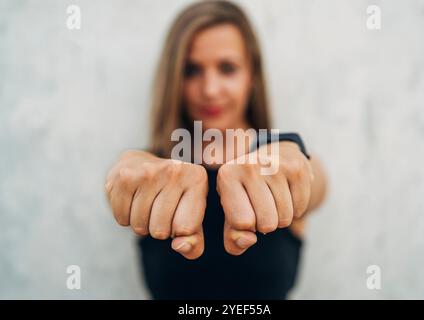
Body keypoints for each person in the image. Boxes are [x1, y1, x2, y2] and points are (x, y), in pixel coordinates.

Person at [104, 0, 327, 299]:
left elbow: (312, 181)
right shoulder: (149, 178)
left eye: (227, 68)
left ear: (252, 76)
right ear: (175, 79)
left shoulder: (287, 166)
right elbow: (125, 181)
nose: (210, 89)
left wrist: (292, 156)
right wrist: (126, 168)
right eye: (192, 69)